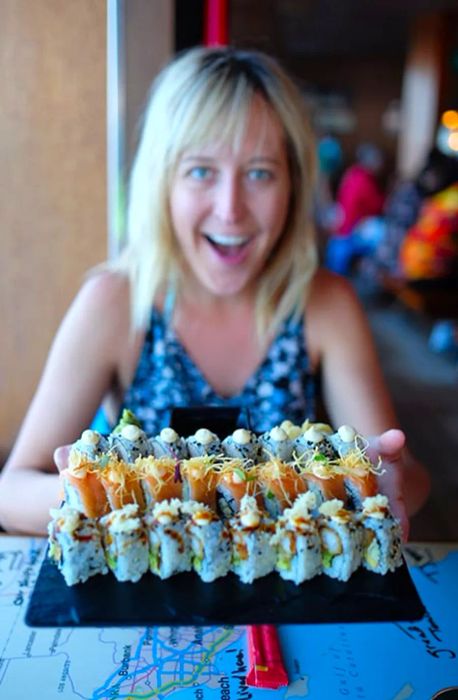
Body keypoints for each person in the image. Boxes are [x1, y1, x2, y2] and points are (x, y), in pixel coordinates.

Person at [0, 46, 429, 538]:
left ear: (294, 184)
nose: (230, 209)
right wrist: (111, 490)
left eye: (260, 173)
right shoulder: (115, 302)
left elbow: (409, 478)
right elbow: (12, 492)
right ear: (162, 183)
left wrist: (386, 481)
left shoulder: (326, 303)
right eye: (201, 171)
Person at [325, 142, 386, 275]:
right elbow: (378, 206)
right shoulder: (364, 180)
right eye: (379, 161)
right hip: (350, 231)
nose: (381, 165)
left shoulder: (352, 173)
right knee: (382, 231)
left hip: (342, 228)